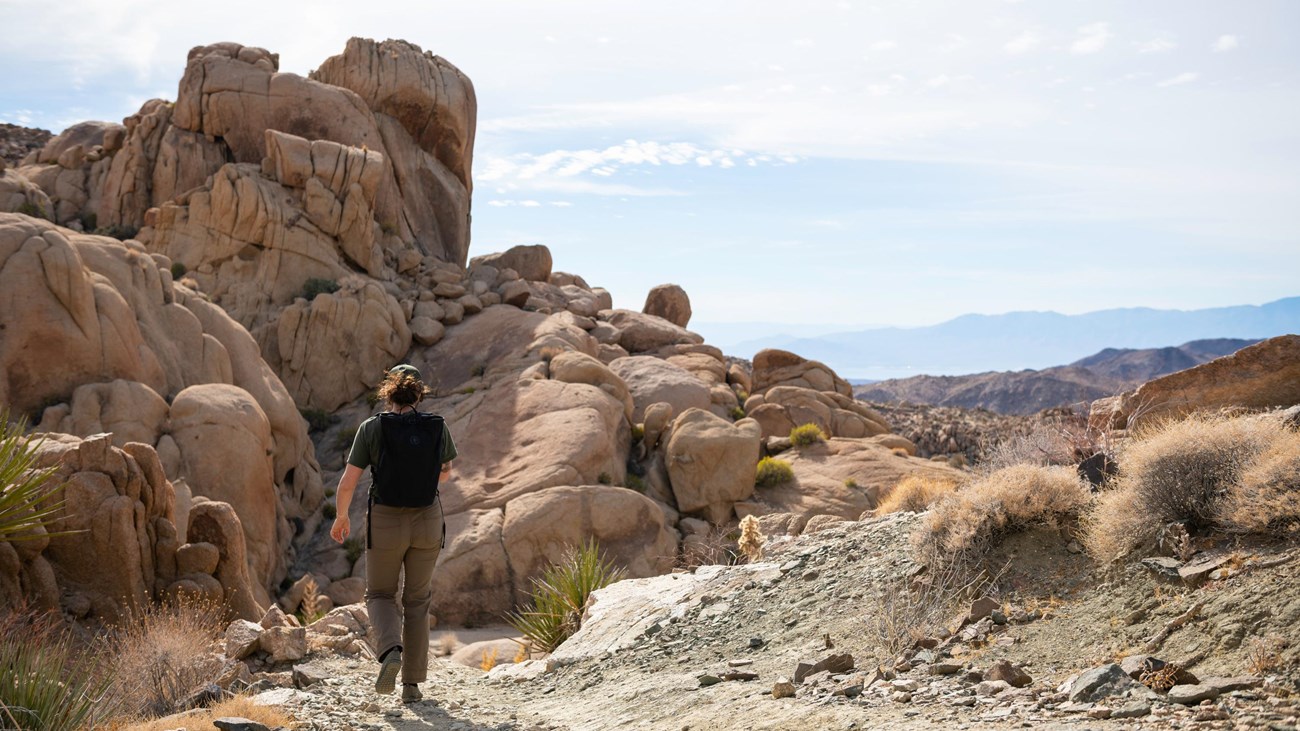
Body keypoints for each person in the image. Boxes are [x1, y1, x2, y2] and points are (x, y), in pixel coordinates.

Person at [331, 364, 456, 703]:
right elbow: (444, 475)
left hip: (386, 519)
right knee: (417, 600)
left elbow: (347, 483)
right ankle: (411, 685)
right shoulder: (437, 427)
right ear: (419, 395)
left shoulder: (372, 428)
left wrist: (341, 517)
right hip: (428, 519)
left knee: (381, 595)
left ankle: (390, 653)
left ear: (388, 394)